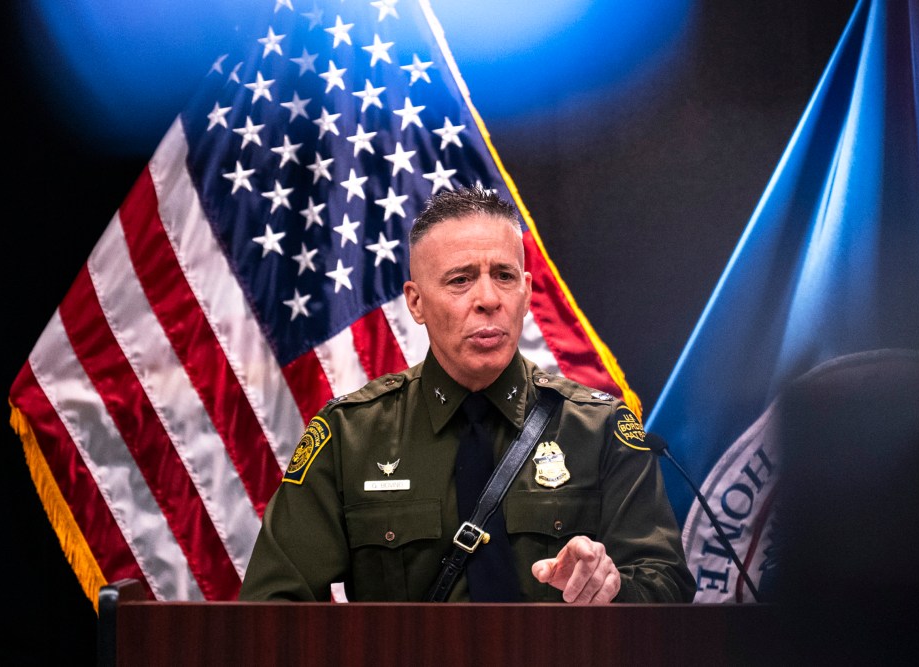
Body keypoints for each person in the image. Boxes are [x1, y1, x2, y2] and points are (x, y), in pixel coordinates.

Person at [238, 185, 695, 603]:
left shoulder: (601, 431)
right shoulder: (349, 437)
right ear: (415, 302)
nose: (489, 298)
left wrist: (610, 589)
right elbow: (272, 606)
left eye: (504, 276)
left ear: (527, 291)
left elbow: (667, 583)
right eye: (460, 279)